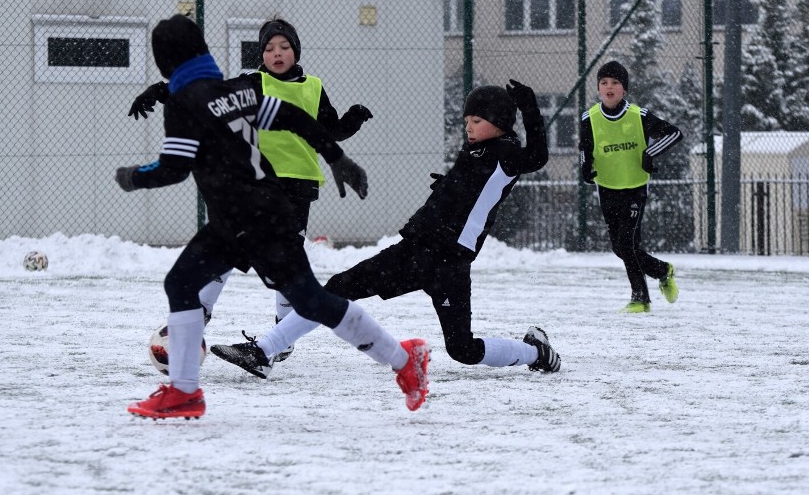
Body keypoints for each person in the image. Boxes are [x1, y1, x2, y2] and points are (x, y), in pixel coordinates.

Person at [119, 15, 429, 419]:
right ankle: (184, 392)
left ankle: (406, 361)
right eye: (269, 48)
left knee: (312, 300)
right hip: (239, 218)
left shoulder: (187, 103)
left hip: (262, 219)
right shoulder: (237, 91)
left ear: (165, 60)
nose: (276, 54)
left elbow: (172, 169)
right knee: (181, 282)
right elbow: (292, 118)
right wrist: (338, 158)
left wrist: (131, 177)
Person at [210, 80, 561, 378]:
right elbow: (471, 188)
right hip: (415, 251)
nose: (468, 126)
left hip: (449, 263)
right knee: (337, 288)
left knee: (463, 350)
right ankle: (265, 352)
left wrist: (530, 110)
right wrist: (449, 189)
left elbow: (538, 158)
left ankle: (535, 352)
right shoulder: (476, 152)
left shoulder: (507, 152)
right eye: (467, 119)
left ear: (500, 123)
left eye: (477, 120)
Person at [128, 18, 374, 364]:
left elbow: (329, 131)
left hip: (298, 187)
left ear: (295, 51)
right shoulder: (251, 83)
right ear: (261, 54)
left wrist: (352, 120)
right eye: (270, 48)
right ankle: (198, 315)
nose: (277, 53)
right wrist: (162, 90)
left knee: (286, 263)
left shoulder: (314, 87)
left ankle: (281, 335)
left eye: (284, 47)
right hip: (252, 182)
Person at [578, 60, 682, 313]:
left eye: (615, 83)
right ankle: (662, 270)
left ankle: (640, 299)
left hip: (635, 187)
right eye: (604, 83)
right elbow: (585, 148)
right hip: (607, 187)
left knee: (628, 243)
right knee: (619, 247)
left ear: (624, 89)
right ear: (599, 89)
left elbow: (674, 133)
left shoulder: (639, 115)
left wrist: (649, 154)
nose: (609, 87)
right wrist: (585, 167)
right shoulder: (589, 118)